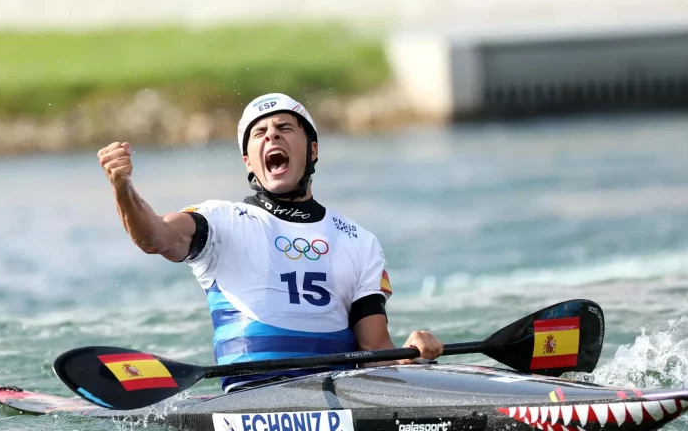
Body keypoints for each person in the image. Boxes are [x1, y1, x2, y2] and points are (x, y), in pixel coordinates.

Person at [97, 93, 444, 392]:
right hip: (252, 394)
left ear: (312, 150)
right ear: (248, 161)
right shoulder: (220, 221)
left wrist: (410, 355)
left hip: (343, 394)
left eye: (284, 128)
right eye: (259, 133)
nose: (272, 135)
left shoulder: (359, 241)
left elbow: (375, 351)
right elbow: (154, 237)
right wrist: (123, 189)